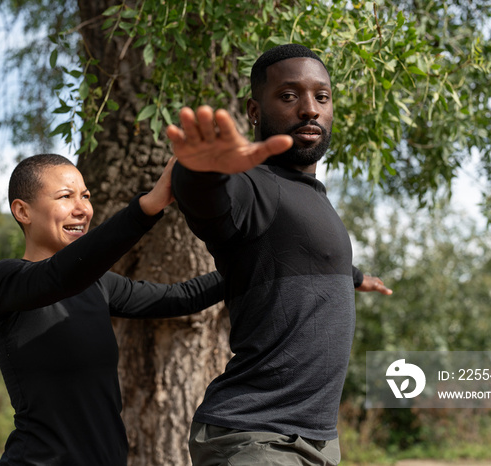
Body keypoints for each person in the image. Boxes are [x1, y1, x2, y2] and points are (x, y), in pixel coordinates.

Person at [167, 44, 392, 465]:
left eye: (321, 97)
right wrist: (198, 167)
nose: (310, 109)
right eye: (289, 96)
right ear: (254, 111)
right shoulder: (254, 185)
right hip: (259, 439)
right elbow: (209, 200)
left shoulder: (307, 195)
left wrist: (353, 275)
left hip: (315, 442)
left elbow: (301, 252)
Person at [0, 154, 224, 465]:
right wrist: (148, 206)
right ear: (22, 211)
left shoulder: (98, 284)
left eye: (85, 196)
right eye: (65, 196)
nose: (82, 209)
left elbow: (181, 298)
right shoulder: (4, 281)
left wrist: (256, 258)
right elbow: (59, 275)